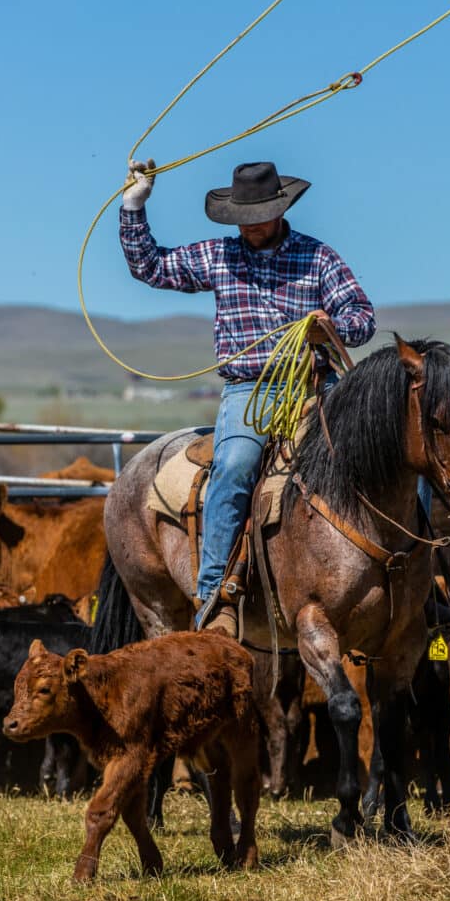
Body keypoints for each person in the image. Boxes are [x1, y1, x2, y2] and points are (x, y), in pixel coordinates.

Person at [119, 159, 377, 634]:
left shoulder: (318, 258)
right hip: (250, 390)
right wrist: (135, 203)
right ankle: (215, 595)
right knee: (235, 466)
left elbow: (362, 318)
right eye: (244, 217)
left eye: (261, 213)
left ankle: (422, 581)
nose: (252, 224)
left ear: (281, 210)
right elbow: (149, 266)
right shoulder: (218, 257)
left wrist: (330, 329)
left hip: (316, 385)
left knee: (382, 451)